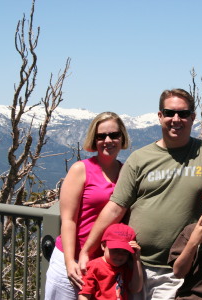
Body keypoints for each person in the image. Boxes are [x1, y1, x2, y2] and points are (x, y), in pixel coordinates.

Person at [79, 88, 202, 299]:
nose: (175, 119)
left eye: (183, 113)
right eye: (169, 113)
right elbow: (116, 206)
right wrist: (87, 250)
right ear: (160, 116)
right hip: (133, 264)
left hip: (176, 268)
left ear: (193, 117)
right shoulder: (139, 158)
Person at [45, 112, 130, 299]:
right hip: (73, 259)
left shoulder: (126, 173)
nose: (108, 140)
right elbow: (68, 220)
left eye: (114, 135)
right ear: (94, 139)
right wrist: (69, 261)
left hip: (106, 265)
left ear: (122, 138)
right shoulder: (80, 170)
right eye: (101, 136)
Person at [78, 223, 143, 300]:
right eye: (115, 250)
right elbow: (84, 294)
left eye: (125, 251)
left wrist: (136, 259)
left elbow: (135, 288)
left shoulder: (124, 267)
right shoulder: (94, 266)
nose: (120, 255)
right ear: (103, 246)